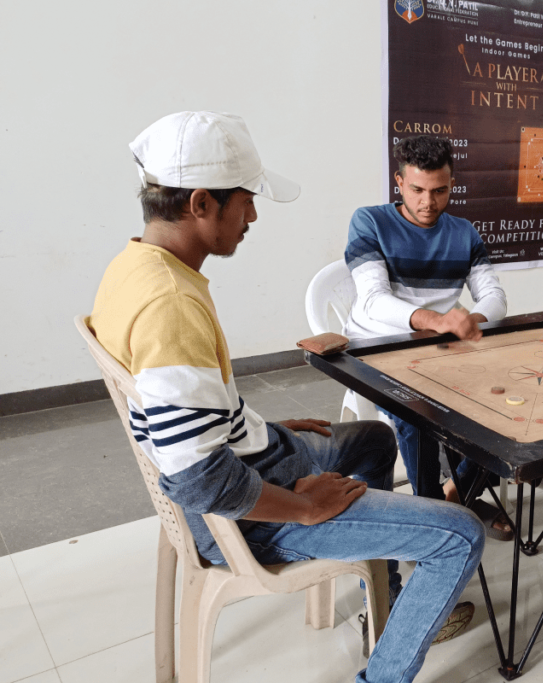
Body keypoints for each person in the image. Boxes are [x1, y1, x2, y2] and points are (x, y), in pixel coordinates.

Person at [88, 112, 485, 683]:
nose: (252, 215)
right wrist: (304, 506)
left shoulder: (134, 266)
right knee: (459, 533)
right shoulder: (169, 305)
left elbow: (184, 418)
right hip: (241, 511)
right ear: (201, 203)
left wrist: (251, 424)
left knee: (373, 438)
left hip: (251, 459)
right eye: (245, 201)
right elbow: (200, 480)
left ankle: (390, 599)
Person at [344, 135, 512, 538]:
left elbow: (494, 296)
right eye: (417, 190)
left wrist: (471, 318)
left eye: (440, 191)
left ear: (452, 184)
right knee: (416, 417)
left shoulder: (464, 232)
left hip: (442, 348)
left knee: (509, 410)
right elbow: (373, 302)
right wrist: (435, 321)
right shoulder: (369, 221)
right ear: (398, 182)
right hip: (377, 347)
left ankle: (449, 500)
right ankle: (435, 512)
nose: (428, 202)